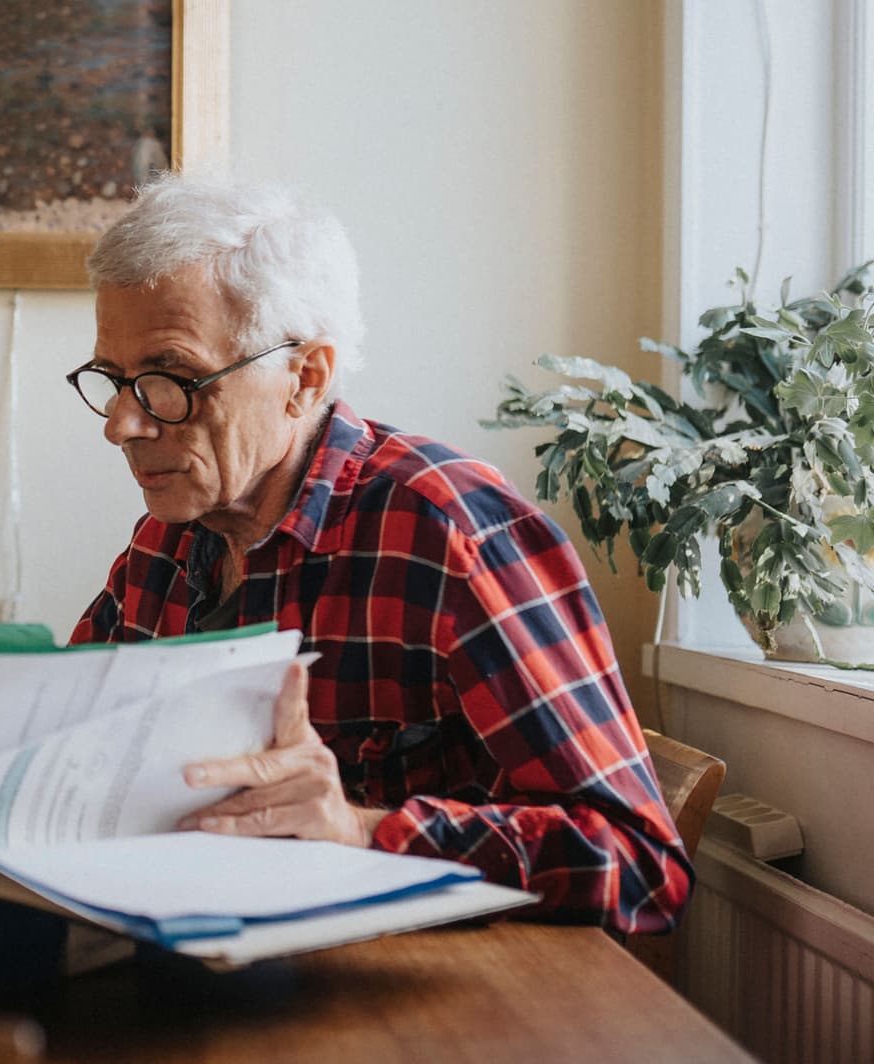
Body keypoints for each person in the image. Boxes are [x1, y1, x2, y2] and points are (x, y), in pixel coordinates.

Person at [64, 173, 691, 934]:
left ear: (305, 377)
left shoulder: (451, 533)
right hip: (217, 964)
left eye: (171, 380)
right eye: (115, 381)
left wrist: (362, 831)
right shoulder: (167, 539)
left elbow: (637, 861)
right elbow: (75, 751)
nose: (123, 425)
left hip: (430, 1003)